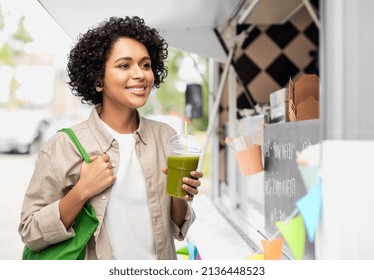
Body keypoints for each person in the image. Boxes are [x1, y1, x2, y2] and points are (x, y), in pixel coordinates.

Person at [18, 16, 203, 260]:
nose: (140, 74)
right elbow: (30, 231)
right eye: (124, 66)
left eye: (146, 65)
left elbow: (177, 229)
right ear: (97, 80)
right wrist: (81, 192)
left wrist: (180, 196)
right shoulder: (63, 146)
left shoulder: (166, 137)